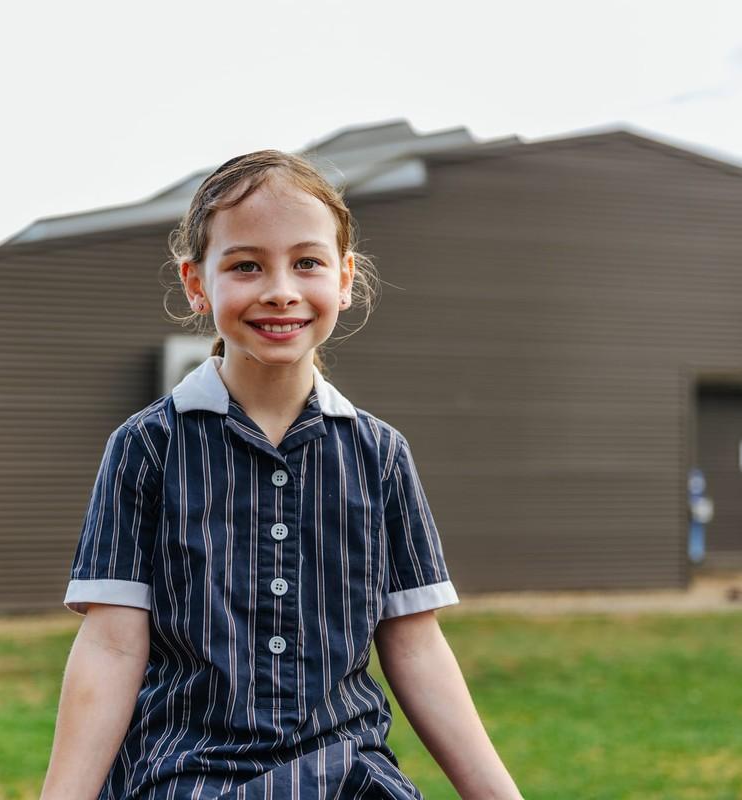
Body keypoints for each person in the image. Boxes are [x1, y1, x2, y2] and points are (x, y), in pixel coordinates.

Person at [41, 151, 523, 800]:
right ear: (196, 283)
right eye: (246, 265)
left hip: (349, 777)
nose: (280, 290)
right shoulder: (146, 447)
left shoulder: (380, 455)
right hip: (188, 777)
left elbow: (416, 647)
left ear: (345, 278)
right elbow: (111, 648)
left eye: (307, 263)